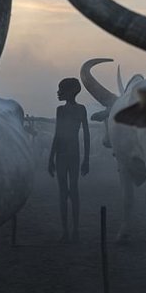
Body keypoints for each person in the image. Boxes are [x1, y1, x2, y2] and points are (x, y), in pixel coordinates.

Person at [48, 77, 90, 242]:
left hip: (72, 155)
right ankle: (66, 230)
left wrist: (87, 159)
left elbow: (86, 135)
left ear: (71, 91)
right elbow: (57, 134)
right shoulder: (61, 110)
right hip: (62, 155)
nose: (58, 92)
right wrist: (50, 158)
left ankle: (75, 230)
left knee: (73, 190)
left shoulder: (81, 110)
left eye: (61, 90)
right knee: (63, 192)